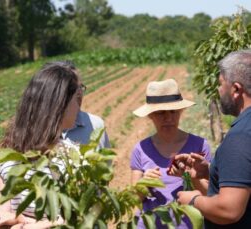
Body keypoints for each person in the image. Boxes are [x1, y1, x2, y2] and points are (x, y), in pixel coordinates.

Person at [0, 62, 81, 228]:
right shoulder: (69, 156)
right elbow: (4, 208)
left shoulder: (10, 153)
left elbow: (76, 218)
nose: (78, 105)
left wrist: (35, 224)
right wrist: (8, 218)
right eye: (75, 98)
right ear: (60, 105)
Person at [176, 49, 251, 228]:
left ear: (235, 89)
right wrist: (211, 171)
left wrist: (193, 199)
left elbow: (229, 210)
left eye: (221, 84)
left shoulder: (240, 136)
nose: (218, 90)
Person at [130, 79, 211, 229]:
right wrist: (144, 185)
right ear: (150, 115)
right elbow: (134, 199)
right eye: (160, 113)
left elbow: (209, 194)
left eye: (173, 112)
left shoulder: (199, 145)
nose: (168, 118)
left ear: (180, 112)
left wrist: (190, 177)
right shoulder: (140, 149)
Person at [56, 61, 111, 149]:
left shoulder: (95, 125)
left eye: (81, 87)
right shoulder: (35, 131)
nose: (79, 93)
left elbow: (105, 162)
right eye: (74, 88)